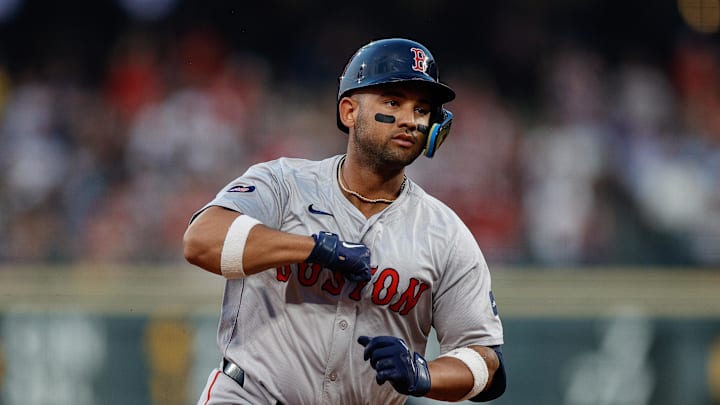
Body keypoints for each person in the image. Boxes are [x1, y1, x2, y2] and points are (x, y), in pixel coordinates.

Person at [183, 37, 507, 405]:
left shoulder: (446, 234)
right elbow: (201, 241)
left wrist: (424, 374)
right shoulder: (284, 183)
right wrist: (313, 249)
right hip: (250, 396)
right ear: (349, 111)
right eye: (392, 101)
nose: (409, 119)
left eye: (422, 109)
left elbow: (487, 364)